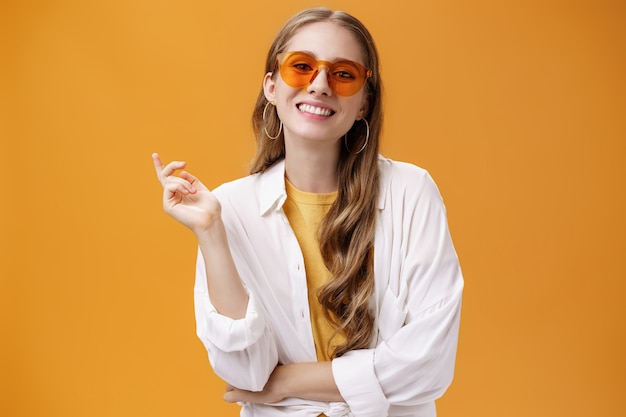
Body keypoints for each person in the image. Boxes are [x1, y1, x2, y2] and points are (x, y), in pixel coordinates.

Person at [152, 7, 463, 417]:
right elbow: (246, 372)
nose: (319, 86)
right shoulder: (229, 208)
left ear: (365, 103)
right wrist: (211, 234)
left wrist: (285, 382)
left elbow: (429, 365)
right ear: (271, 86)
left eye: (343, 73)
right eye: (301, 67)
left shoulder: (411, 192)